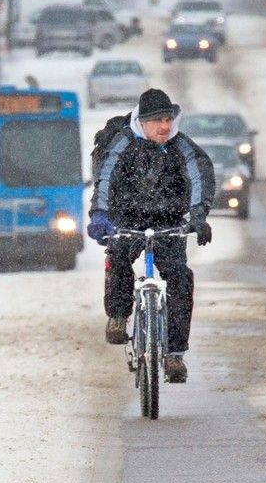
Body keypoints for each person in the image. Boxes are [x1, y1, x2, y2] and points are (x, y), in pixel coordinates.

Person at [87, 88, 215, 384]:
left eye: (169, 119)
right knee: (118, 257)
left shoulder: (181, 147)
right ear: (141, 121)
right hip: (126, 219)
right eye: (157, 120)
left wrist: (198, 214)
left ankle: (174, 354)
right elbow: (105, 180)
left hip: (169, 221)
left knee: (180, 277)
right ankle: (118, 316)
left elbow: (199, 177)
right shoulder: (122, 144)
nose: (165, 126)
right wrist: (100, 216)